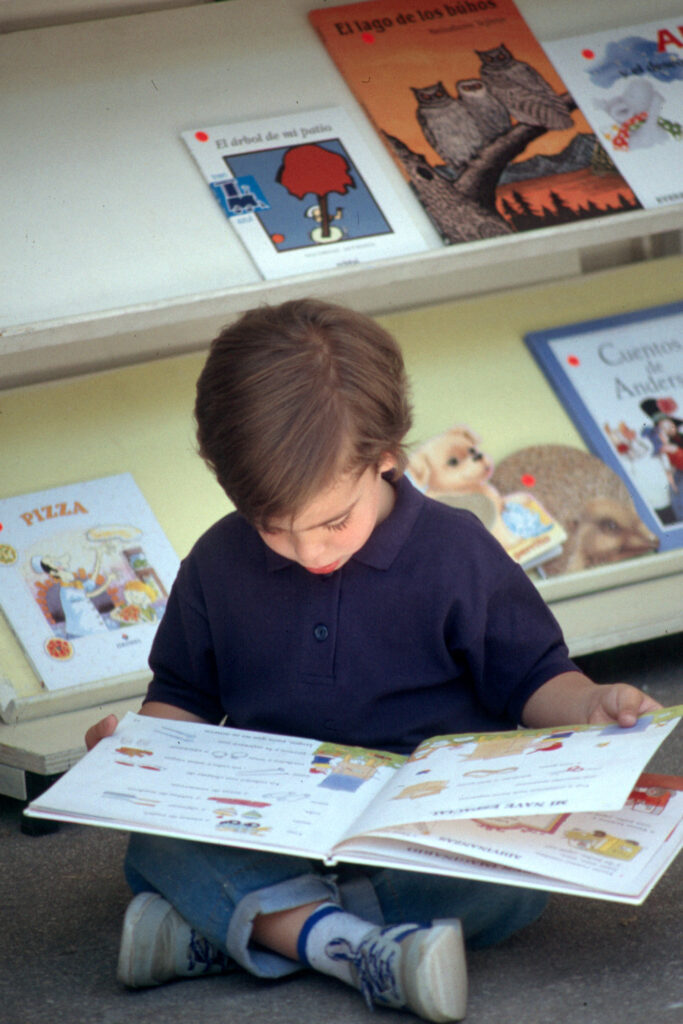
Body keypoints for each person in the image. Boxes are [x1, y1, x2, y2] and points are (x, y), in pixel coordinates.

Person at [86, 299, 660, 1022]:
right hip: (272, 820)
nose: (310, 551)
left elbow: (533, 676)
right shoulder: (216, 561)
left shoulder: (455, 552)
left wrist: (588, 705)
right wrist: (139, 751)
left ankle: (246, 928)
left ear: (386, 457)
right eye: (274, 528)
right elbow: (183, 696)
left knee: (513, 886)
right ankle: (353, 947)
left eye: (331, 522)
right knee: (154, 844)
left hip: (422, 827)